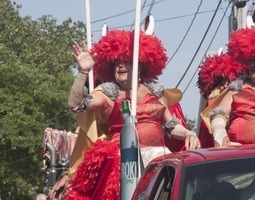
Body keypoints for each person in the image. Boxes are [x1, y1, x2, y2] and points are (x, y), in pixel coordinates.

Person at [49, 29, 200, 199]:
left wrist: (188, 133)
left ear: (139, 65)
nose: (119, 65)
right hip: (123, 163)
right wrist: (83, 72)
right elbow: (75, 104)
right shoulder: (107, 94)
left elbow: (172, 126)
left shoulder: (156, 92)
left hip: (158, 159)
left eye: (126, 61)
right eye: (116, 62)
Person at [197, 52, 247, 147]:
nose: (226, 85)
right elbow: (206, 140)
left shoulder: (243, 99)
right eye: (222, 82)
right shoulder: (211, 104)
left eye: (231, 80)